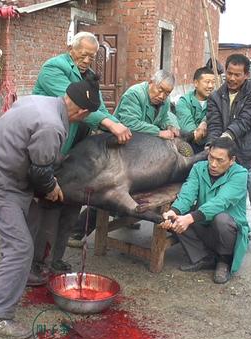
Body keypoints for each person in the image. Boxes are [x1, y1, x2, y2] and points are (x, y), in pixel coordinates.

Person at [0, 78, 100, 339]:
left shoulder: (41, 101)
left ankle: (25, 275)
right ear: (83, 113)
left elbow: (37, 155)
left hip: (0, 168)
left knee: (32, 221)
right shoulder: (52, 126)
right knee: (19, 247)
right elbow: (40, 172)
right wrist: (52, 187)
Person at [29, 32, 132, 279]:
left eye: (91, 56)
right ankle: (36, 262)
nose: (86, 59)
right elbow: (73, 104)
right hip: (52, 148)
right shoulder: (53, 68)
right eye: (82, 53)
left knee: (72, 206)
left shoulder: (89, 76)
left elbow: (100, 108)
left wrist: (120, 126)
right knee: (49, 208)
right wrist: (109, 123)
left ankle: (56, 260)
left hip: (76, 153)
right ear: (69, 48)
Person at [67, 69, 182, 244]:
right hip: (118, 150)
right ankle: (76, 231)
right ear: (151, 82)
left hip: (139, 152)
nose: (162, 95)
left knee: (133, 187)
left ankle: (124, 214)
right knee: (110, 190)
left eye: (167, 93)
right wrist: (159, 132)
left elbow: (168, 115)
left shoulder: (163, 101)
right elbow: (130, 123)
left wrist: (172, 125)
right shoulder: (134, 94)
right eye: (160, 89)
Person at [206, 53, 251, 258]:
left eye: (237, 75)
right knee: (229, 200)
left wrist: (226, 136)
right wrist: (213, 146)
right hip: (230, 159)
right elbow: (214, 124)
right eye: (229, 74)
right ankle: (237, 235)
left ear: (247, 75)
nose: (232, 79)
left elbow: (248, 119)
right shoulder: (216, 96)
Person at [161, 137, 250, 284]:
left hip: (228, 231)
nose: (213, 164)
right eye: (211, 158)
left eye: (220, 160)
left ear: (232, 160)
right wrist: (174, 211)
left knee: (221, 219)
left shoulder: (240, 174)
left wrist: (190, 218)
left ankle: (224, 260)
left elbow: (221, 202)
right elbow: (187, 194)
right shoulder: (199, 168)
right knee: (177, 217)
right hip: (205, 224)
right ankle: (203, 257)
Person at [175, 67, 216, 152]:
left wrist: (205, 122)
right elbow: (189, 130)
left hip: (212, 145)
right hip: (189, 144)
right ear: (196, 83)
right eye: (207, 82)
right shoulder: (184, 102)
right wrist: (199, 132)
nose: (211, 86)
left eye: (213, 82)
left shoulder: (217, 101)